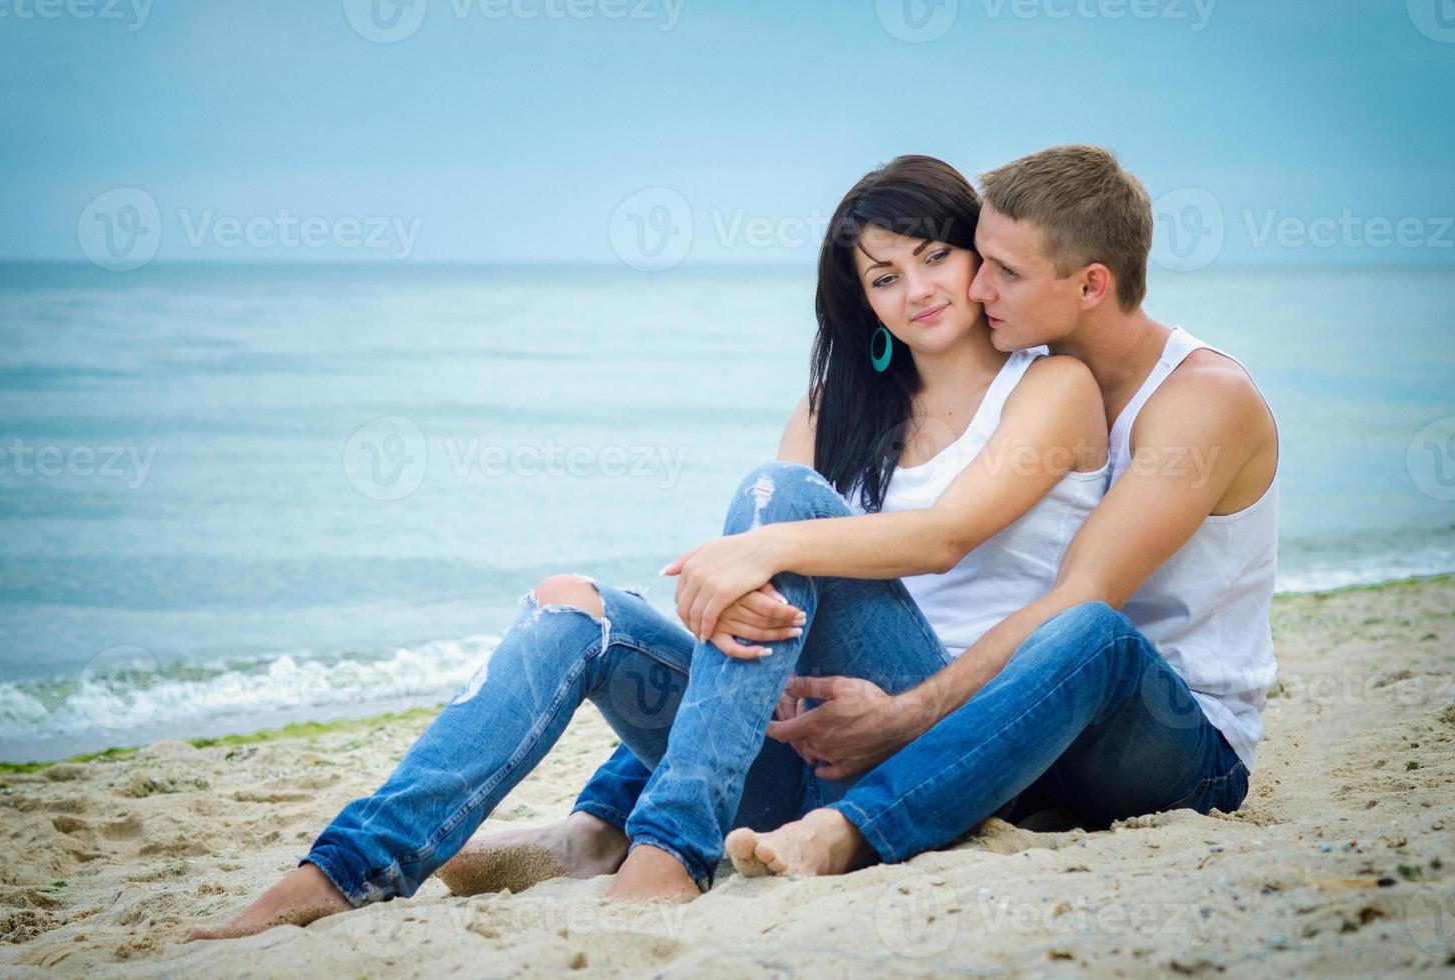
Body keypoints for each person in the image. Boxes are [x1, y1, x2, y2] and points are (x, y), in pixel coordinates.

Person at [191, 154, 1109, 939]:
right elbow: (770, 590)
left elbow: (943, 540)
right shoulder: (831, 411)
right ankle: (347, 870)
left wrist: (742, 556)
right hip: (798, 753)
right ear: (861, 301)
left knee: (776, 504)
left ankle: (663, 846)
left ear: (977, 258)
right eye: (883, 277)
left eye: (935, 256)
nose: (916, 291)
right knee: (574, 606)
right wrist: (730, 583)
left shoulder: (1051, 386)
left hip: (940, 742)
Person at [723, 144, 1281, 877]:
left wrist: (906, 714)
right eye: (977, 258)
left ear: (1090, 286)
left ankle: (848, 832)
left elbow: (1076, 600)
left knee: (1091, 631)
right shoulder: (1039, 389)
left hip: (1173, 741)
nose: (976, 286)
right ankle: (613, 821)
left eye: (1004, 271)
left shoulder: (1202, 401)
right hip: (1026, 726)